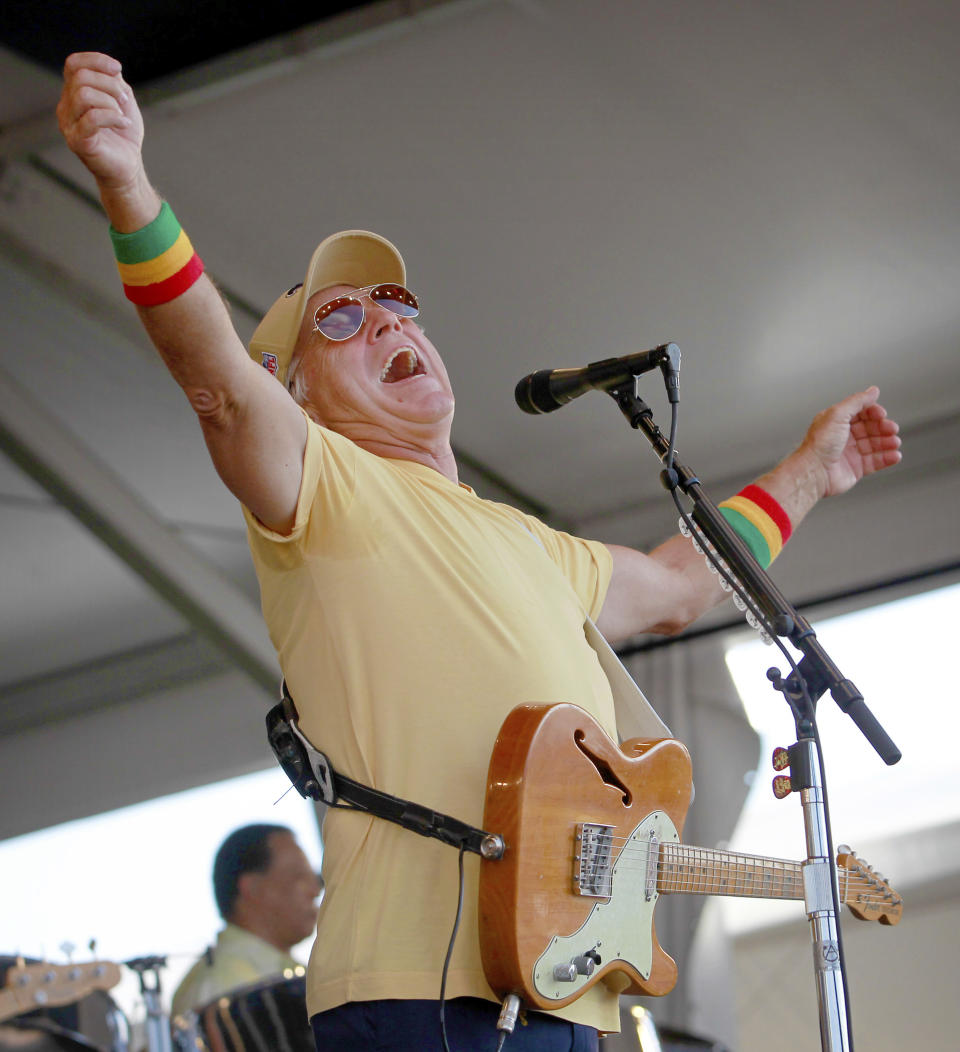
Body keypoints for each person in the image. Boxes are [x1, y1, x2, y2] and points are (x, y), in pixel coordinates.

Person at [57, 52, 902, 1052]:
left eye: (398, 305)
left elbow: (679, 585)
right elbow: (216, 376)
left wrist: (810, 469)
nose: (386, 317)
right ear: (295, 395)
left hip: (558, 989)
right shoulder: (322, 482)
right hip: (425, 988)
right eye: (341, 318)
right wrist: (126, 184)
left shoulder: (526, 541)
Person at [170, 824, 321, 1019]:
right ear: (252, 889)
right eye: (298, 877)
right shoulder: (224, 984)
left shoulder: (274, 973)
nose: (315, 891)